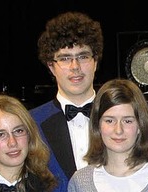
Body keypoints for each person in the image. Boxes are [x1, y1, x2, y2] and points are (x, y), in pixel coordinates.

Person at [31, 11, 104, 181]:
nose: (75, 66)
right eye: (64, 58)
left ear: (95, 62)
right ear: (51, 66)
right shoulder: (31, 124)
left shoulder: (120, 118)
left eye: (83, 56)